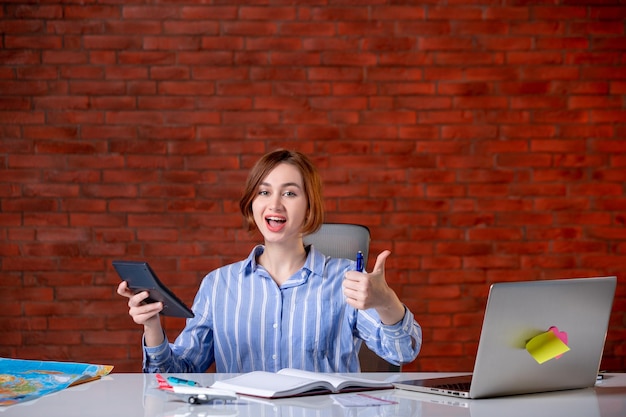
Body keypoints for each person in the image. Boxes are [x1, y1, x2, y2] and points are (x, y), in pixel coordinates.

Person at [117, 149, 422, 373]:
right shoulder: (219, 285)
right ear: (252, 204)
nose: (274, 203)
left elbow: (402, 351)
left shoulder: (345, 280)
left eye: (289, 193)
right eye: (264, 192)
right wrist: (152, 325)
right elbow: (173, 375)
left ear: (309, 206)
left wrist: (385, 301)